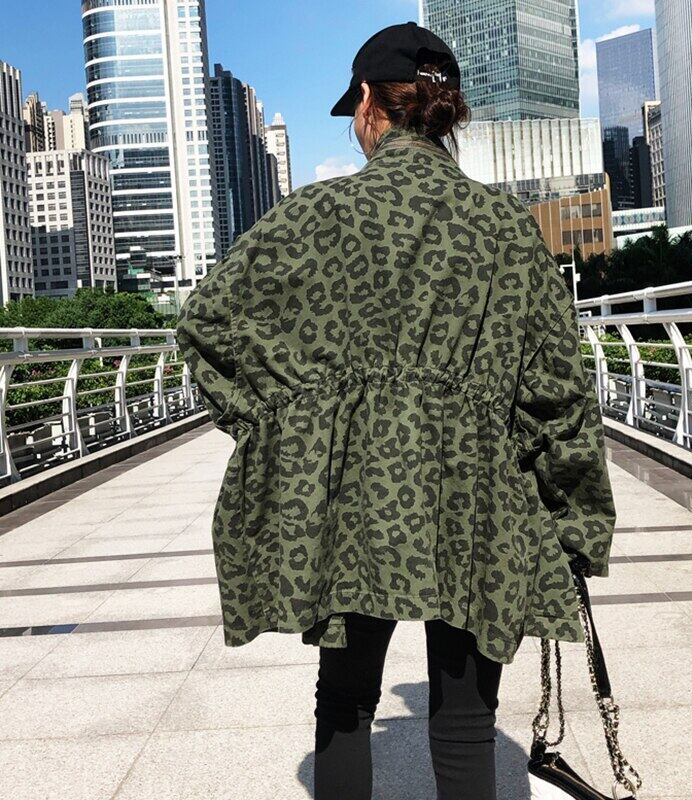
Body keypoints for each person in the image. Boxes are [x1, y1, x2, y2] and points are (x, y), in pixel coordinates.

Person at [176, 21, 615, 800]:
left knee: (345, 701)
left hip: (352, 496)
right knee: (467, 720)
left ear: (370, 102)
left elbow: (208, 325)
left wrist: (286, 428)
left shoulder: (315, 217)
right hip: (479, 496)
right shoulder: (504, 228)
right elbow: (559, 394)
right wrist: (578, 527)